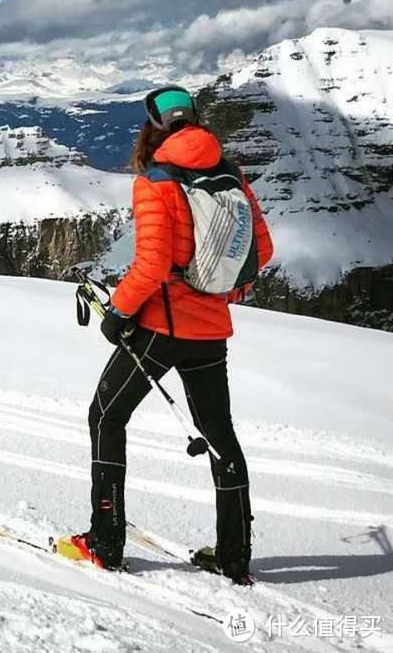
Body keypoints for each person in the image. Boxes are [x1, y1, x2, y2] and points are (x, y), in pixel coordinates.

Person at [62, 85, 273, 585]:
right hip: (210, 330)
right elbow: (260, 251)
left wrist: (118, 312)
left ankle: (106, 542)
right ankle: (234, 555)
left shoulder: (156, 179)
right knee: (220, 435)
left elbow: (153, 263)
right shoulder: (232, 174)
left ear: (153, 127)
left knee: (106, 416)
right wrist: (220, 293)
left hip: (158, 327)